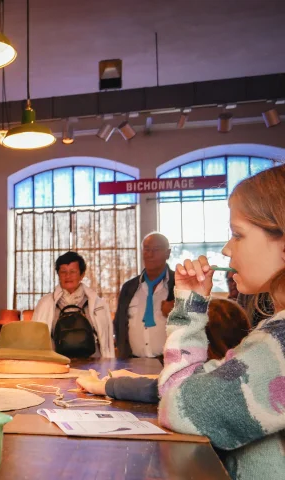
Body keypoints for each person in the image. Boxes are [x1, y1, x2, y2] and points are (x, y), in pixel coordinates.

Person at [158, 165, 285, 479]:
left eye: (238, 234)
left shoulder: (279, 345)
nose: (227, 248)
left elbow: (178, 407)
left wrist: (189, 306)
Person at [76, 298, 251, 403]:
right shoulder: (237, 366)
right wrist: (136, 377)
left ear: (204, 342)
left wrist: (98, 385)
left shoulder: (216, 382)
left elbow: (160, 390)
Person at [33, 251, 114, 357]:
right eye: (63, 272)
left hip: (93, 364)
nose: (68, 276)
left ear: (82, 275)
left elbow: (107, 343)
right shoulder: (45, 303)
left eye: (72, 272)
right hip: (58, 363)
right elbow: (35, 340)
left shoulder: (98, 304)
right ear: (58, 275)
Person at [113, 233, 175, 359]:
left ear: (167, 253)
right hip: (133, 363)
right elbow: (119, 325)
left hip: (171, 364)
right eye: (147, 249)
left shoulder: (179, 285)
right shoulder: (129, 288)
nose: (150, 254)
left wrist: (177, 311)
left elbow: (198, 323)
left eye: (156, 249)